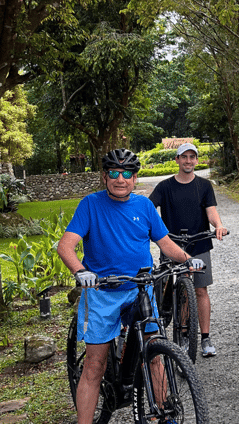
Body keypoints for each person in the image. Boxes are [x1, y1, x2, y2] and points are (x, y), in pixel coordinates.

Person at [57, 148, 204, 424]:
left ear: (135, 178)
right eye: (114, 173)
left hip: (140, 289)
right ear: (104, 177)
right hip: (102, 292)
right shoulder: (90, 205)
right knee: (94, 365)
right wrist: (81, 271)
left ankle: (165, 415)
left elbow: (165, 243)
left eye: (127, 173)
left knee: (155, 352)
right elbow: (66, 246)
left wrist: (187, 259)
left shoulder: (144, 206)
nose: (120, 179)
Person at [149, 142, 228, 358]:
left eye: (192, 157)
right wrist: (153, 229)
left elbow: (211, 211)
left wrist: (218, 226)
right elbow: (149, 209)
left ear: (196, 160)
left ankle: (205, 338)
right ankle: (181, 333)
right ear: (177, 159)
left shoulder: (204, 185)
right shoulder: (164, 186)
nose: (188, 161)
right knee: (174, 290)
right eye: (184, 157)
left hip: (199, 243)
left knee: (201, 290)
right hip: (171, 245)